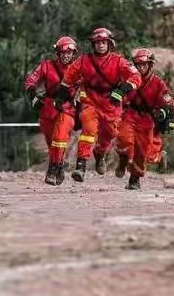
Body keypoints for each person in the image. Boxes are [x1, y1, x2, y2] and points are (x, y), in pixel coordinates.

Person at [55, 28, 141, 182]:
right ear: (93, 44)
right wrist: (61, 96)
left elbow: (136, 76)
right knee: (88, 129)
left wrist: (122, 90)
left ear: (109, 43)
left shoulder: (119, 61)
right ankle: (80, 167)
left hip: (111, 104)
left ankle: (100, 153)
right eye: (97, 43)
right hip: (90, 101)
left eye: (104, 42)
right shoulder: (83, 60)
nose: (101, 45)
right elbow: (68, 78)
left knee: (109, 135)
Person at [116, 48, 174, 189]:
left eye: (145, 64)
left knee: (142, 153)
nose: (142, 67)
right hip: (130, 114)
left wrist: (171, 117)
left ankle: (135, 179)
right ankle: (123, 158)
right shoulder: (129, 79)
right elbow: (120, 96)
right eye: (139, 65)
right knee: (123, 138)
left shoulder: (158, 83)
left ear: (150, 65)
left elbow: (167, 101)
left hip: (148, 119)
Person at [24, 36, 79, 185]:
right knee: (51, 143)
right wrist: (33, 96)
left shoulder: (80, 69)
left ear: (74, 54)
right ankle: (59, 165)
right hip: (48, 108)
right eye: (63, 52)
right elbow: (30, 81)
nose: (66, 55)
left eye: (69, 53)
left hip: (67, 108)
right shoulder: (46, 66)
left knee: (60, 138)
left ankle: (52, 169)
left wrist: (83, 109)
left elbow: (89, 88)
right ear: (58, 53)